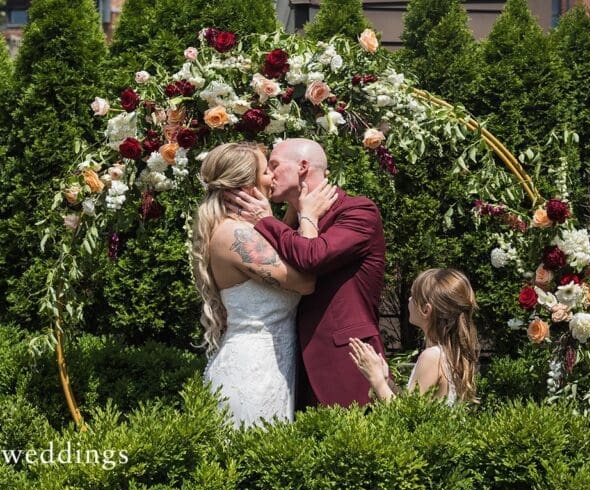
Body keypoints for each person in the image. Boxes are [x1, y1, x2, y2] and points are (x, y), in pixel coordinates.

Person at [226, 138, 387, 409]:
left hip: (347, 362)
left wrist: (266, 220)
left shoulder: (358, 211)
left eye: (274, 165)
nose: (269, 175)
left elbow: (312, 258)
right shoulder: (289, 223)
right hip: (291, 366)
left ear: (302, 167)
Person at [192, 142, 337, 426]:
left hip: (271, 367)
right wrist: (308, 217)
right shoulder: (235, 236)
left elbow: (279, 246)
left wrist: (288, 211)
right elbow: (305, 280)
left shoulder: (246, 230)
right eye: (266, 171)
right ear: (247, 185)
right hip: (251, 373)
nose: (272, 177)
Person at [348, 268, 479, 405]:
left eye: (413, 296)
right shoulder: (447, 353)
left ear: (426, 310)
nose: (409, 299)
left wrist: (376, 379)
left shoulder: (432, 357)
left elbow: (405, 414)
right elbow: (412, 405)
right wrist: (387, 382)